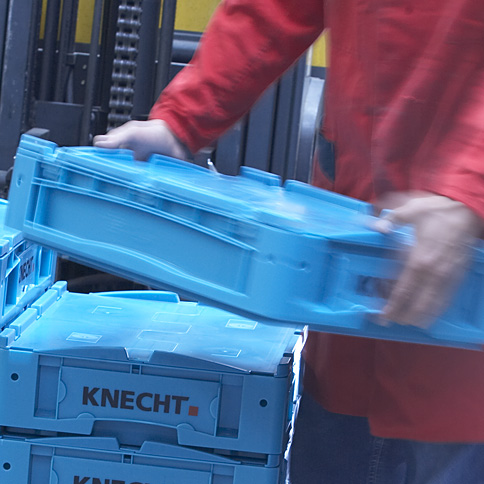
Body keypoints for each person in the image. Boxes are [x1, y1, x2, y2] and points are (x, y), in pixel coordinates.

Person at [94, 1, 484, 482]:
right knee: (339, 445)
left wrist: (469, 188)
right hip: (352, 265)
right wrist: (182, 120)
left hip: (466, 293)